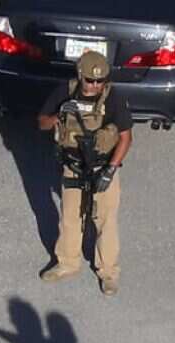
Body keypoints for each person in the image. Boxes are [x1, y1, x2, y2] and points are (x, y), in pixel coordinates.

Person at [37, 51, 133, 296]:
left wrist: (110, 171)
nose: (95, 85)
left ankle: (108, 272)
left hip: (102, 166)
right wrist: (59, 114)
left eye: (100, 81)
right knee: (70, 217)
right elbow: (41, 123)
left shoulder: (113, 99)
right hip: (74, 165)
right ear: (80, 76)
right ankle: (67, 263)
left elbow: (125, 138)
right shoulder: (65, 92)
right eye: (90, 80)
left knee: (106, 220)